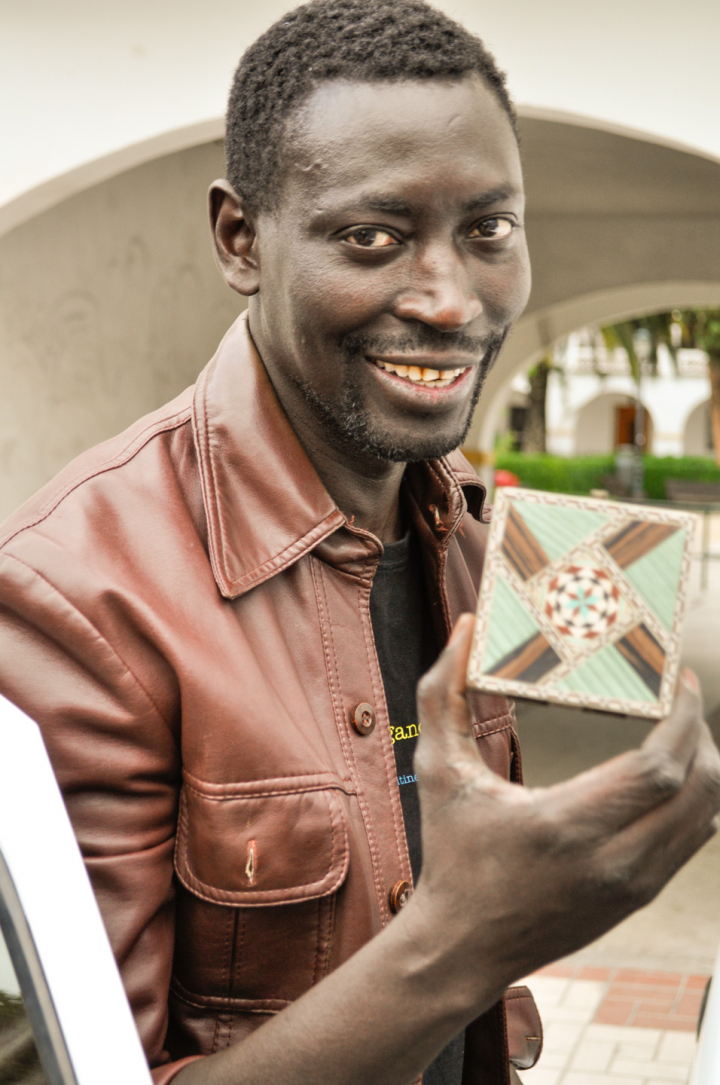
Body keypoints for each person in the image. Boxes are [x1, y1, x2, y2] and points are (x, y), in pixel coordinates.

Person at [0, 1, 719, 1083]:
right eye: (372, 238)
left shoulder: (470, 523)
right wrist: (469, 940)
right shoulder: (73, 596)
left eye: (489, 229)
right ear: (242, 239)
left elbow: (651, 646)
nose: (448, 298)